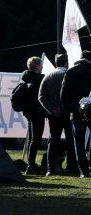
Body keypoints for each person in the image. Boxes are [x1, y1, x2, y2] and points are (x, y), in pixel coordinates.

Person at [38, 54, 77, 175]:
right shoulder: (70, 75)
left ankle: (50, 168)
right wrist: (66, 107)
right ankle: (72, 167)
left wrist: (51, 109)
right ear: (66, 63)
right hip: (68, 113)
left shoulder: (47, 76)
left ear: (56, 63)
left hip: (53, 115)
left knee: (53, 139)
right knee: (71, 140)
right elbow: (74, 94)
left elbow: (41, 96)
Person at [60, 49, 91, 177]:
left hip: (75, 110)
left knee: (78, 142)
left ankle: (83, 171)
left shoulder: (70, 72)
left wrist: (68, 109)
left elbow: (63, 94)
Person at [21, 56, 45, 175]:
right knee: (36, 140)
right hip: (37, 112)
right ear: (36, 66)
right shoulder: (39, 79)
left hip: (29, 112)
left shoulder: (26, 78)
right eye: (41, 65)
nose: (42, 67)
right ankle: (31, 166)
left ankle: (31, 165)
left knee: (32, 139)